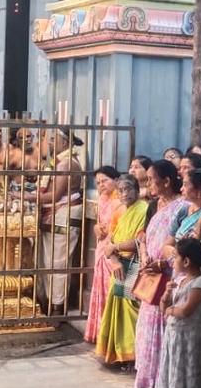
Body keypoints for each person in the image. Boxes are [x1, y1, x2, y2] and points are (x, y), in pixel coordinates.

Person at [134, 160, 188, 388]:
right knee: (147, 324)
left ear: (166, 181)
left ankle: (162, 380)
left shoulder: (182, 207)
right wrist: (145, 255)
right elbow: (144, 236)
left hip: (168, 273)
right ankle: (147, 376)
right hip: (150, 273)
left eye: (151, 180)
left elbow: (178, 243)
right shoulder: (154, 205)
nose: (148, 185)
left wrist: (162, 263)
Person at [156, 238, 201, 388]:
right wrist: (167, 296)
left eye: (176, 257)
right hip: (175, 336)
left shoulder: (200, 283)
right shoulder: (181, 281)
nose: (174, 261)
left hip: (191, 338)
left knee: (190, 377)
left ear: (186, 261)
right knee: (176, 377)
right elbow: (165, 308)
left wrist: (171, 310)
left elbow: (186, 310)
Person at [96, 177, 149, 365]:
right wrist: (115, 260)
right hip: (119, 265)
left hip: (134, 264)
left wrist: (115, 248)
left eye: (128, 189)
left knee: (131, 308)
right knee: (118, 306)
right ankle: (120, 355)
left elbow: (140, 241)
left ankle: (136, 356)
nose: (124, 194)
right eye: (120, 190)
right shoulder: (119, 211)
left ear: (136, 190)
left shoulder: (144, 210)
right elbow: (109, 241)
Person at [34, 129, 86, 315]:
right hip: (54, 214)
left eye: (54, 140)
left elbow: (55, 195)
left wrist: (25, 196)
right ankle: (49, 302)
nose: (50, 142)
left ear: (65, 143)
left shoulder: (67, 164)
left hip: (64, 213)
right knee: (48, 261)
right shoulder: (56, 162)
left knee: (59, 262)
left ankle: (58, 307)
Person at [84, 166, 125, 343]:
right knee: (100, 287)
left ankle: (109, 333)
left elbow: (119, 227)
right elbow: (99, 223)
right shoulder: (102, 199)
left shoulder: (121, 201)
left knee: (111, 289)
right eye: (98, 182)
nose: (101, 185)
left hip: (113, 247)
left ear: (116, 180)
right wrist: (96, 228)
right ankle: (99, 331)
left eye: (105, 180)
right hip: (102, 246)